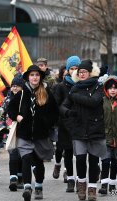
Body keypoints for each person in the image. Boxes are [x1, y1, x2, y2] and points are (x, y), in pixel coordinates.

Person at [8, 65, 59, 201]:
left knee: (38, 162)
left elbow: (55, 112)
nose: (34, 77)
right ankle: (27, 188)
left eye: (37, 75)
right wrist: (16, 117)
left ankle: (39, 186)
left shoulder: (46, 93)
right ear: (28, 77)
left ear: (40, 77)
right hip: (24, 135)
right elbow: (10, 109)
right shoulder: (22, 93)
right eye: (32, 75)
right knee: (25, 160)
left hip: (40, 136)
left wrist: (46, 123)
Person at [61, 59, 106, 201]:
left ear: (90, 73)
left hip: (95, 129)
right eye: (79, 72)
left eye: (84, 72)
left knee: (93, 161)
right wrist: (69, 114)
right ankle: (81, 185)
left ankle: (92, 188)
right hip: (79, 130)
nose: (81, 74)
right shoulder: (74, 88)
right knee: (80, 160)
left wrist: (74, 96)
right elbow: (63, 107)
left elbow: (93, 102)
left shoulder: (99, 87)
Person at [53, 55, 80, 192]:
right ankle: (70, 179)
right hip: (65, 125)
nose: (74, 71)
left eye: (77, 68)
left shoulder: (83, 85)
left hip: (81, 125)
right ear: (68, 70)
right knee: (67, 153)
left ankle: (82, 180)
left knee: (81, 154)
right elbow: (57, 106)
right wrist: (65, 117)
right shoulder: (61, 87)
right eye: (72, 68)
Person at [0, 73, 24, 191]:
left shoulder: (26, 100)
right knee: (13, 155)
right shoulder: (7, 100)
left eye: (17, 86)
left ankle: (21, 177)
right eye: (13, 86)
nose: (14, 88)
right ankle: (13, 178)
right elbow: (0, 115)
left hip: (23, 132)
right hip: (10, 132)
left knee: (22, 156)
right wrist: (2, 127)